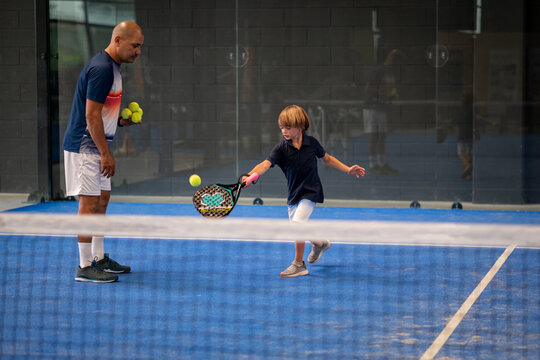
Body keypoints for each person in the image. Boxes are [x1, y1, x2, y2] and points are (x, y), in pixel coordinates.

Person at [62, 21, 144, 283]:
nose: (138, 51)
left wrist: (120, 122)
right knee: (88, 203)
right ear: (118, 40)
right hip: (85, 147)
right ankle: (84, 266)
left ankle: (98, 258)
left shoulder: (114, 68)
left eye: (140, 46)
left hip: (96, 145)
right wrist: (106, 154)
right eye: (135, 46)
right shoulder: (101, 69)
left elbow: (103, 113)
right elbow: (91, 115)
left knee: (103, 198)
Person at [243, 105, 365, 277]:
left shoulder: (312, 143)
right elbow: (265, 164)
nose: (284, 131)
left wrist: (348, 169)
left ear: (300, 126)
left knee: (297, 225)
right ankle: (320, 243)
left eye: (288, 127)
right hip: (294, 194)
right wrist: (250, 176)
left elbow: (327, 159)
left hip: (311, 191)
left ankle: (298, 264)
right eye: (282, 127)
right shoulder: (280, 149)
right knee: (298, 228)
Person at [362, 49, 403, 175]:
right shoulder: (379, 71)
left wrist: (391, 100)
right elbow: (368, 88)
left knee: (382, 136)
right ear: (390, 59)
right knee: (374, 136)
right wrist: (382, 94)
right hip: (371, 108)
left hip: (382, 108)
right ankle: (373, 165)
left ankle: (382, 163)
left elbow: (391, 91)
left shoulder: (392, 74)